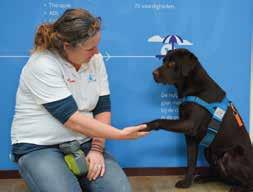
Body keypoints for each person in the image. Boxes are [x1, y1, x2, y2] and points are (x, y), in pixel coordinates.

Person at [10, 8, 148, 192]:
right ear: (67, 46)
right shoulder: (42, 64)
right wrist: (120, 135)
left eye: (97, 45)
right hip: (39, 147)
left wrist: (97, 149)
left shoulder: (95, 60)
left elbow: (102, 107)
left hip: (84, 143)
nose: (97, 52)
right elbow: (72, 119)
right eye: (90, 48)